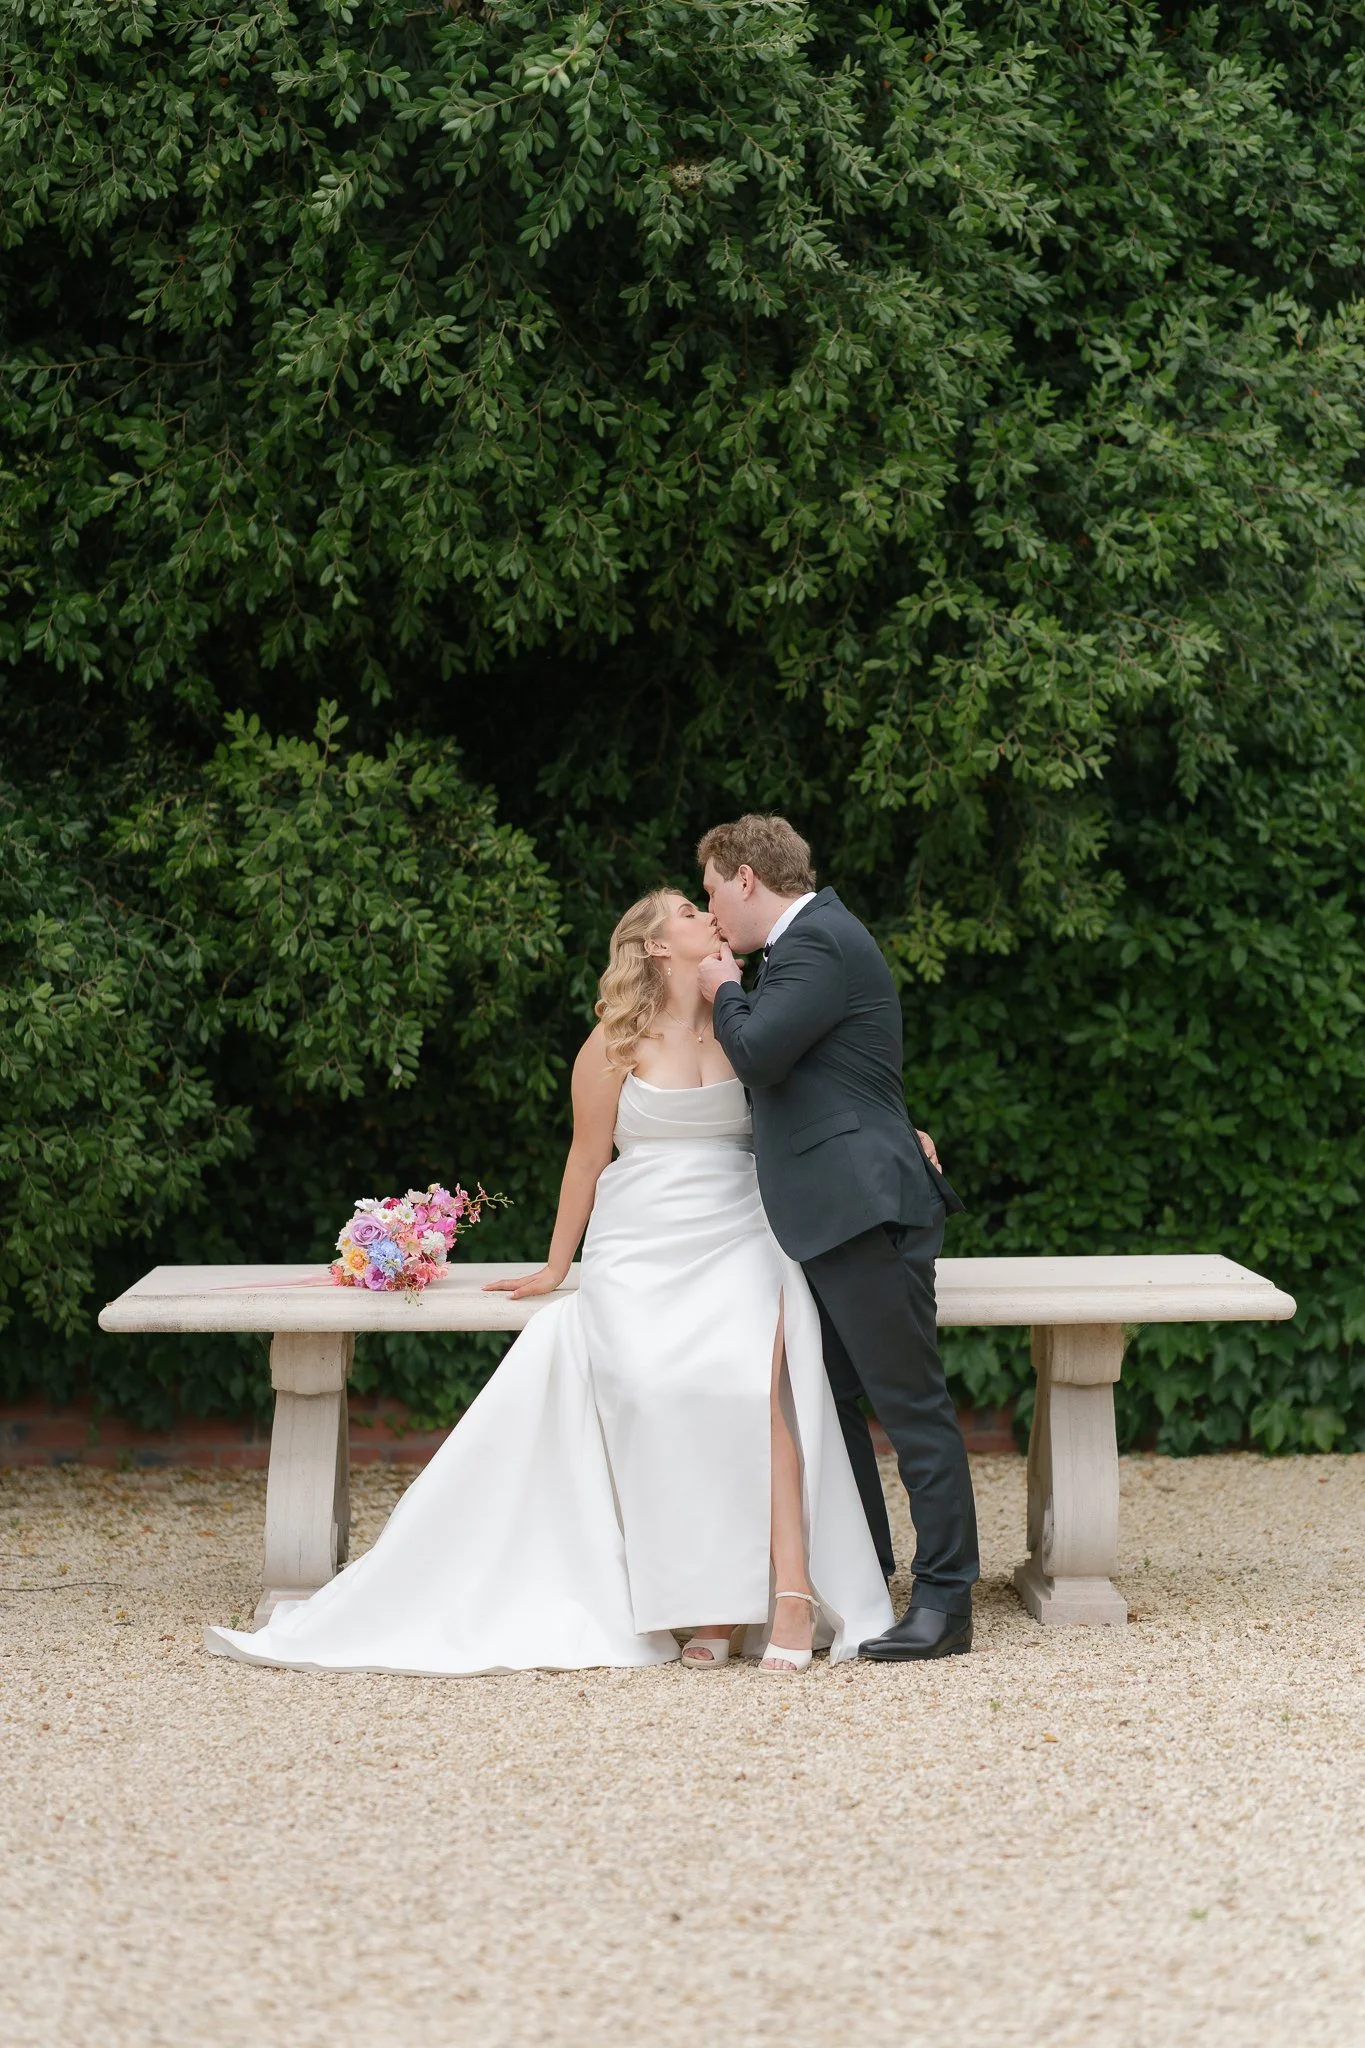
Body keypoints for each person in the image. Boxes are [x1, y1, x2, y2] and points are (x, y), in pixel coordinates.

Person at [205, 890, 891, 1677]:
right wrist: (558, 1264)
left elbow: (829, 1097)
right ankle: (705, 1605)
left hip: (740, 1230)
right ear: (655, 946)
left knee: (750, 1393)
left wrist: (900, 1130)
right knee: (651, 1390)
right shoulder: (612, 1042)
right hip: (640, 1240)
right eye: (683, 909)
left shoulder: (750, 1021)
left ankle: (790, 1596)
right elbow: (586, 1158)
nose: (705, 913)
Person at [697, 815, 979, 1659]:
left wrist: (720, 984)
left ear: (746, 878)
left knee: (911, 1405)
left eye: (711, 890)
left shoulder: (816, 941)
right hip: (837, 1211)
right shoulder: (807, 946)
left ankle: (944, 1604)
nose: (711, 914)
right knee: (841, 1402)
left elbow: (756, 1053)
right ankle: (871, 1573)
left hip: (863, 1210)